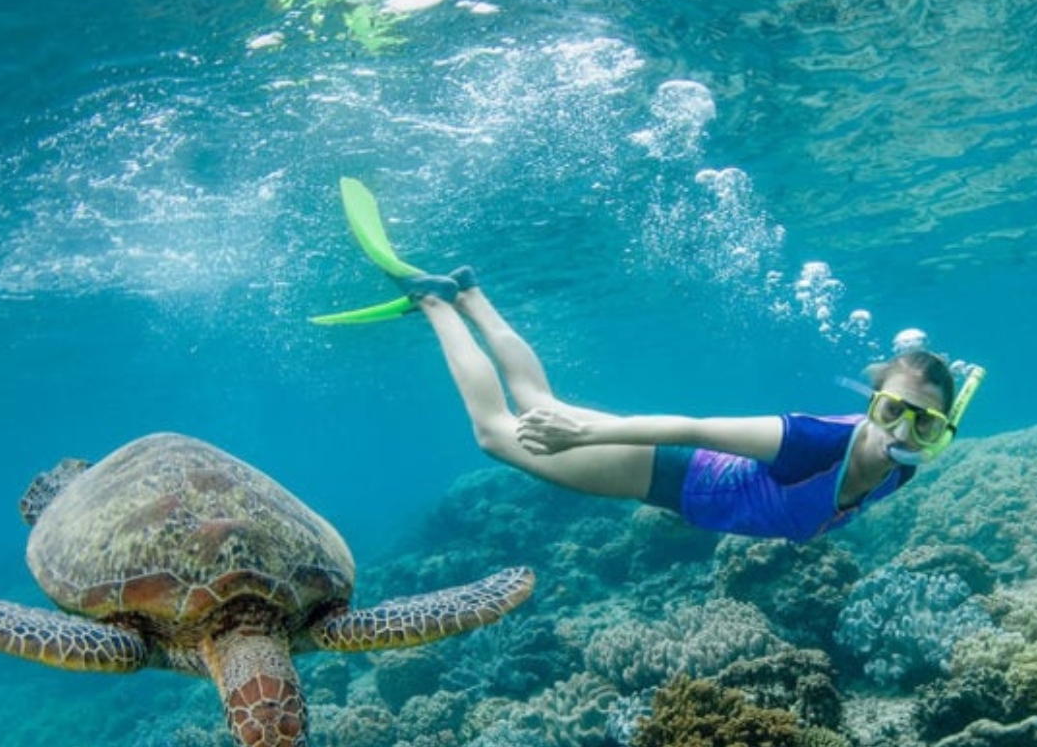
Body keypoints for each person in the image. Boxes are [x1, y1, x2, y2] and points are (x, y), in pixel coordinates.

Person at [314, 179, 983, 544]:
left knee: (535, 402)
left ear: (940, 433)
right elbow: (692, 427)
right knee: (497, 432)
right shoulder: (812, 442)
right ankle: (435, 303)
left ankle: (470, 291)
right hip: (664, 471)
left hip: (674, 483)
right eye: (891, 411)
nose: (900, 434)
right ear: (871, 406)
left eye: (922, 425)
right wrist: (592, 432)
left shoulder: (903, 474)